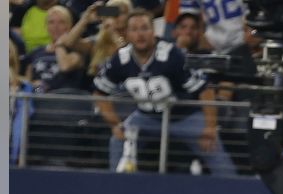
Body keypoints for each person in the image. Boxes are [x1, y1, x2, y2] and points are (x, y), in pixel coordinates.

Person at [92, 9, 235, 176]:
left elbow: (205, 90)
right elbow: (99, 92)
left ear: (153, 31)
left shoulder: (172, 55)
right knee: (118, 140)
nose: (140, 35)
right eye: (134, 29)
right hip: (146, 117)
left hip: (183, 116)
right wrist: (115, 124)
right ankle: (117, 191)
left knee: (216, 153)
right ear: (127, 34)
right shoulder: (120, 59)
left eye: (144, 28)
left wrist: (210, 128)